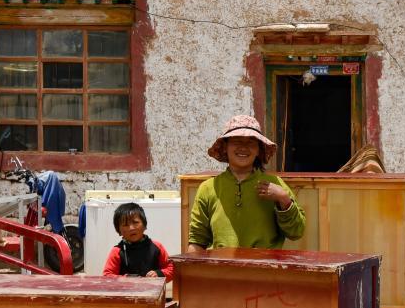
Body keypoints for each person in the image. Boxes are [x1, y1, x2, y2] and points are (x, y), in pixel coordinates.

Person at [186, 115, 306, 252]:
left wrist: (284, 200)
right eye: (236, 141)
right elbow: (197, 240)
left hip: (264, 264)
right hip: (221, 264)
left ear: (259, 149)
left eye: (251, 142)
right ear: (225, 147)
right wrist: (192, 264)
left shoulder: (275, 184)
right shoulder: (208, 188)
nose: (243, 148)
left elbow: (296, 232)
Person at [103, 202, 174, 279]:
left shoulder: (157, 247)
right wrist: (126, 279)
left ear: (144, 225)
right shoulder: (117, 251)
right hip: (126, 287)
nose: (131, 228)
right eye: (126, 225)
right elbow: (107, 275)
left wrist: (159, 274)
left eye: (135, 222)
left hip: (154, 287)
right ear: (118, 230)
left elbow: (171, 269)